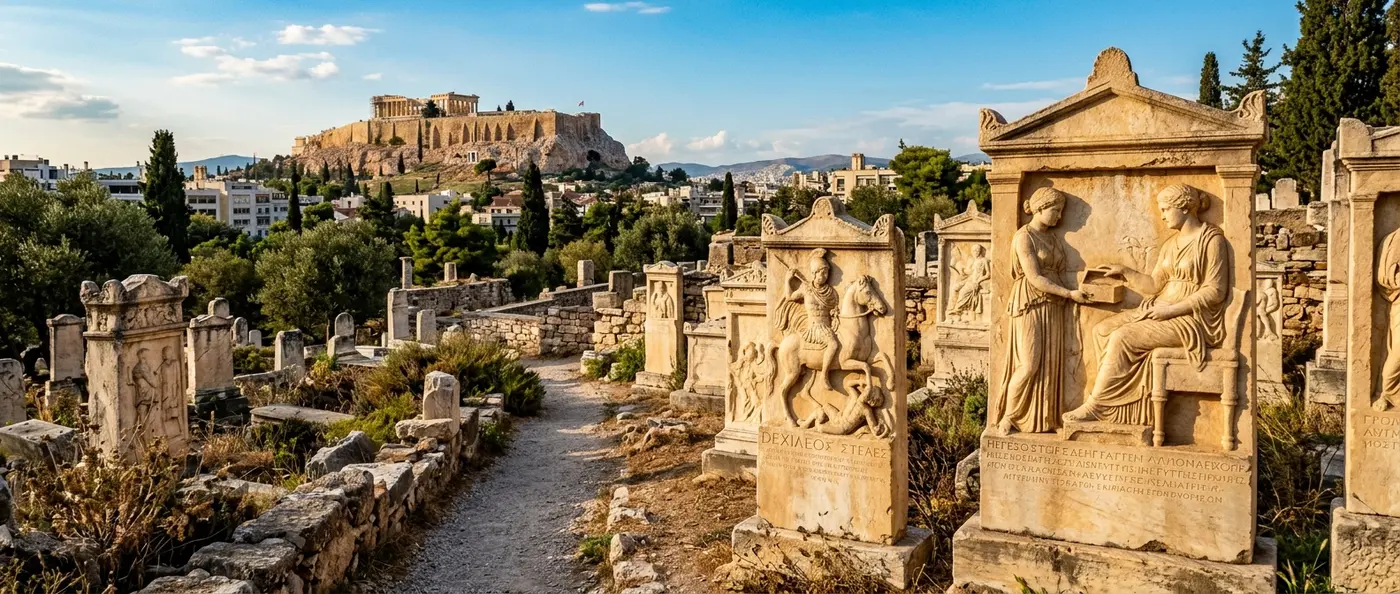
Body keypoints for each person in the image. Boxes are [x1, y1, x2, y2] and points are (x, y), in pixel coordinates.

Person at [1064, 184, 1229, 425]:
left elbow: (1215, 291)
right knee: (1102, 330)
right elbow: (1154, 285)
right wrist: (1125, 272)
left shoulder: (1211, 240)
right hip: (1160, 308)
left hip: (1190, 318)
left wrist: (1170, 310)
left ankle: (1096, 405)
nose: (1162, 216)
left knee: (1123, 337)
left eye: (1166, 209)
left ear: (1184, 207)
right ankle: (1120, 409)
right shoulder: (1171, 244)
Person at [996, 187, 1089, 435]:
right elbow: (1035, 277)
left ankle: (1046, 419)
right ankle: (1009, 416)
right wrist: (1069, 294)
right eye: (1055, 210)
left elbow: (1061, 271)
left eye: (1061, 211)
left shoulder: (1053, 238)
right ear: (1040, 208)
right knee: (1029, 364)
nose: (1059, 216)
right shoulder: (1023, 237)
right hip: (1030, 302)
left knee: (1051, 363)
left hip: (1052, 304)